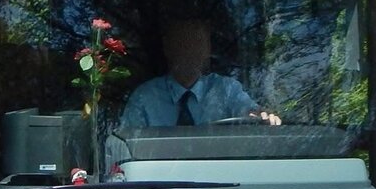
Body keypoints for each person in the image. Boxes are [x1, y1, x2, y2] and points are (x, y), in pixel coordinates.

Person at [119, 18, 281, 127]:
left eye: (197, 44)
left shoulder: (226, 91)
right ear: (168, 49)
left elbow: (250, 115)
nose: (190, 52)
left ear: (207, 51)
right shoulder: (145, 98)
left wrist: (263, 117)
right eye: (183, 44)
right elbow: (126, 149)